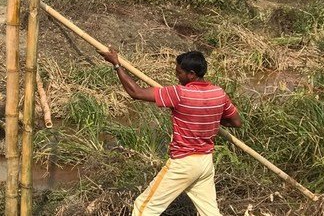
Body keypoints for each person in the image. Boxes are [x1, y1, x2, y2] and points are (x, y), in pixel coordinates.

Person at [98, 48, 242, 216]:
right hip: (205, 163)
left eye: (179, 72)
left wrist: (116, 64)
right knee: (210, 213)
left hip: (184, 163)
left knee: (143, 209)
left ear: (191, 74)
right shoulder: (218, 93)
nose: (176, 76)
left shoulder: (179, 93)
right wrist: (209, 117)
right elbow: (236, 122)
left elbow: (136, 93)